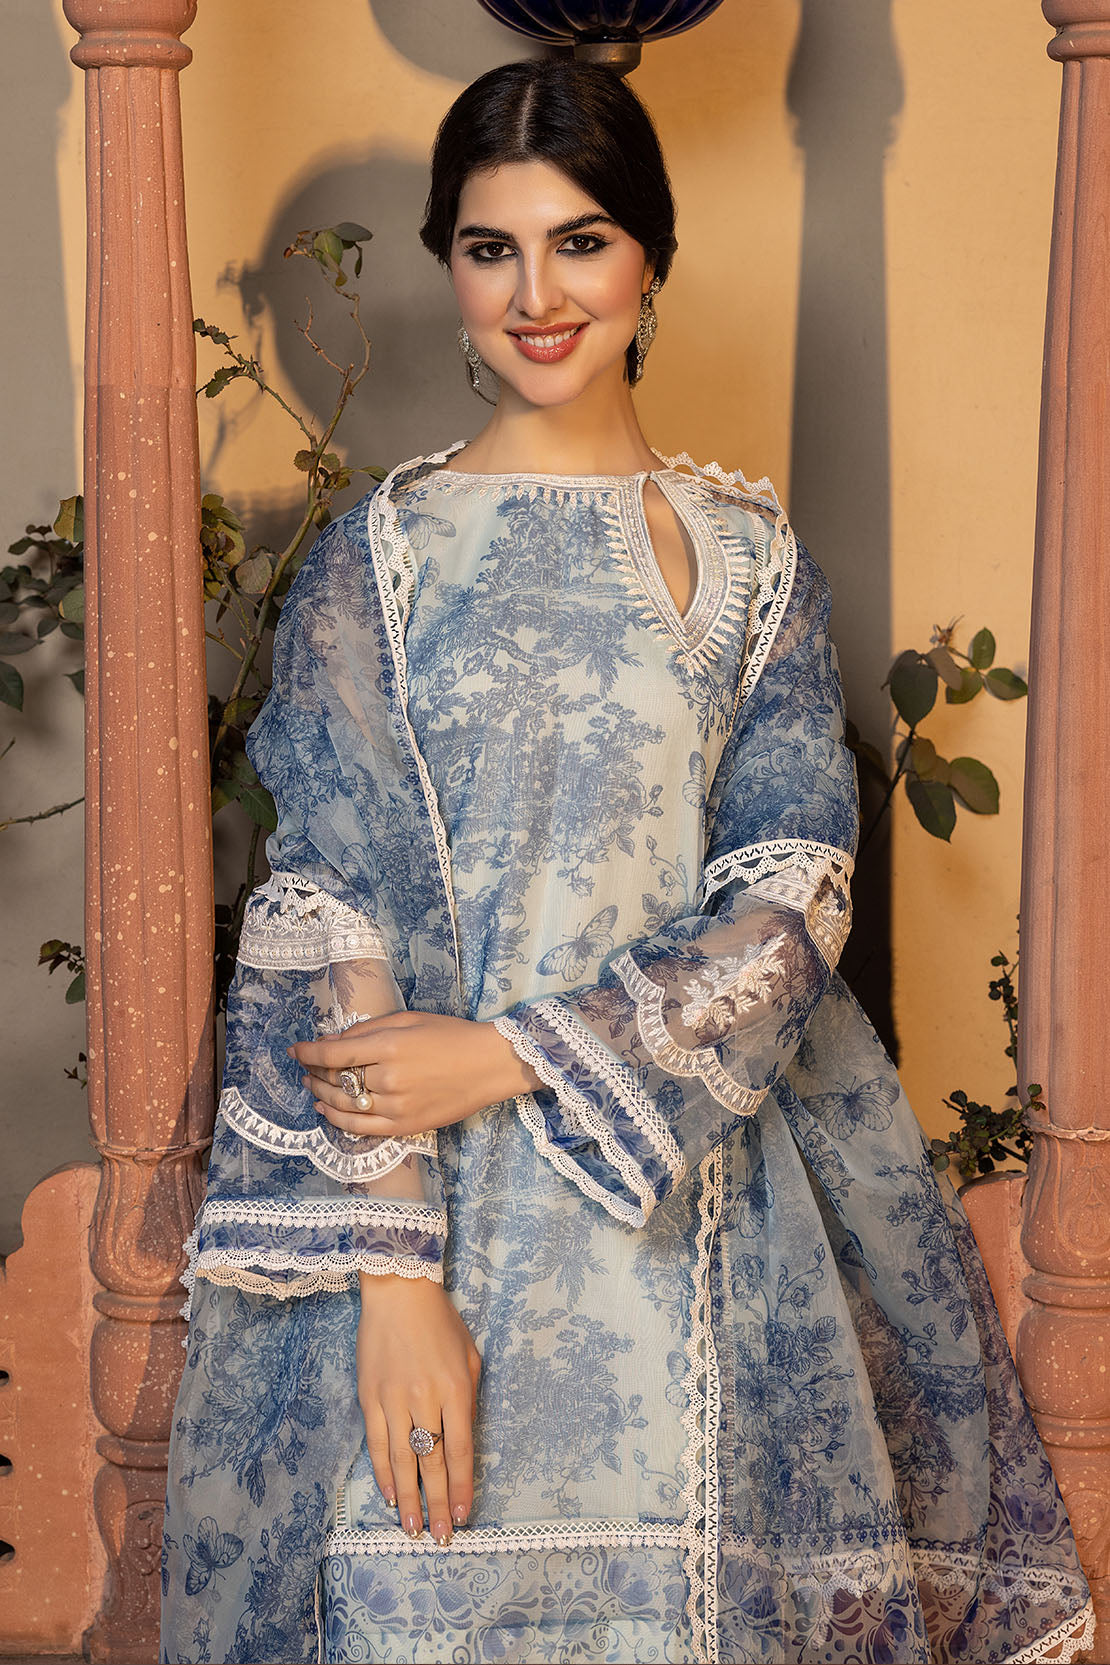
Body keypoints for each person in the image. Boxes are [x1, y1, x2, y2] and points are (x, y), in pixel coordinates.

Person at [161, 58, 1093, 1665]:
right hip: (428, 1223)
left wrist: (510, 1054)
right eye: (492, 248)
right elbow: (324, 907)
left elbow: (792, 899)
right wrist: (394, 1288)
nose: (537, 295)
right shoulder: (372, 565)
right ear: (448, 267)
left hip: (695, 1211)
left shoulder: (748, 565)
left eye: (579, 242)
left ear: (650, 257)